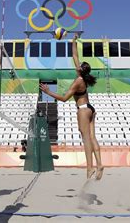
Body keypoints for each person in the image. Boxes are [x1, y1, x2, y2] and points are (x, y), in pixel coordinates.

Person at [39, 34, 103, 180]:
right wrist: (73, 41)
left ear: (81, 70)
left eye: (79, 66)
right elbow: (75, 55)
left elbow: (64, 99)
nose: (77, 65)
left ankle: (90, 168)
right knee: (92, 137)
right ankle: (99, 164)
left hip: (83, 110)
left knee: (86, 139)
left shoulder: (78, 81)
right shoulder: (83, 77)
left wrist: (49, 92)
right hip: (91, 109)